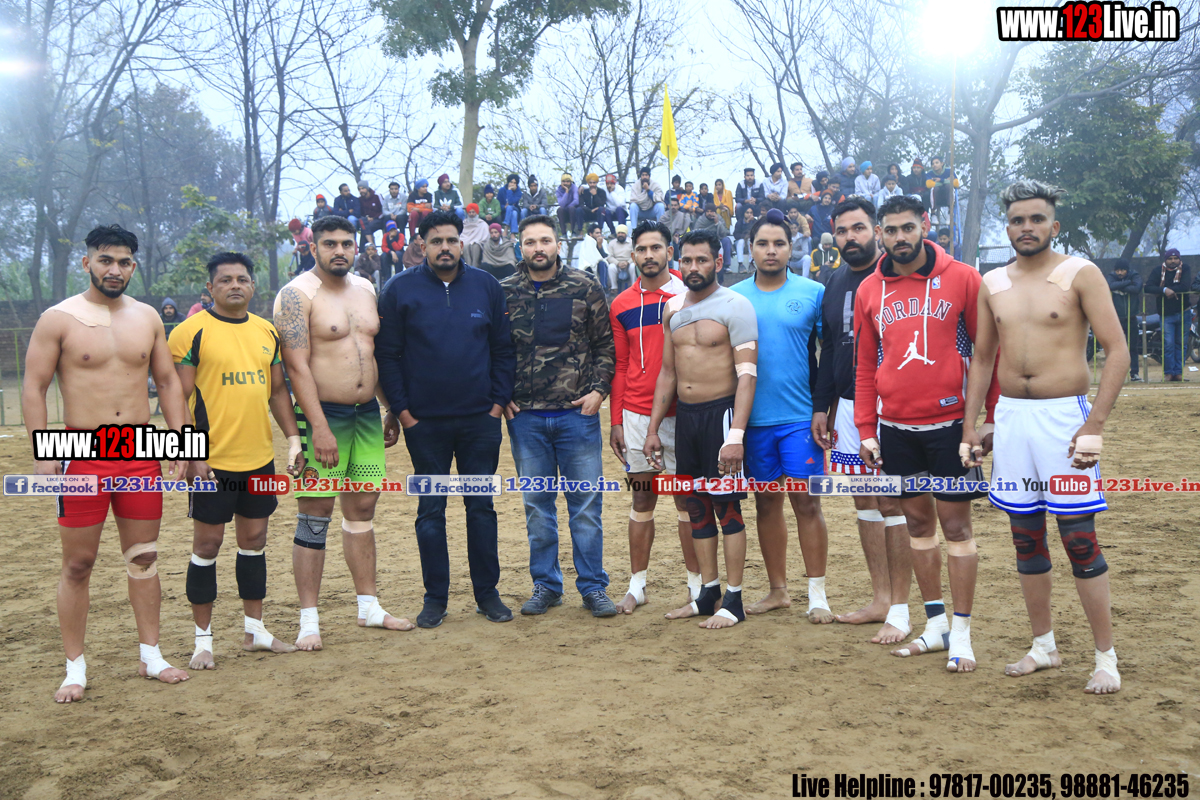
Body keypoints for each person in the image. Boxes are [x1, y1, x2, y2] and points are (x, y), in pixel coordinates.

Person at [961, 178, 1129, 694]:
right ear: (1007, 227)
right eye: (1017, 220)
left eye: (1036, 219)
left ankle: (1105, 657)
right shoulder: (993, 282)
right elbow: (983, 358)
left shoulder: (1080, 273)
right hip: (1013, 420)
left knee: (1078, 537)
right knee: (1025, 536)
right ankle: (1043, 646)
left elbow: (1117, 350)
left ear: (1054, 225)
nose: (1026, 227)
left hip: (1064, 420)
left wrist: (1094, 425)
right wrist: (971, 425)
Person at [21, 224, 192, 701]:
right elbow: (34, 386)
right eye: (105, 260)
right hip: (82, 454)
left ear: (133, 266)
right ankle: (74, 668)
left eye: (123, 262)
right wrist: (42, 452)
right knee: (79, 563)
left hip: (139, 451)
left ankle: (151, 655)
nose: (115, 270)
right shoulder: (58, 318)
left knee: (144, 557)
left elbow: (168, 382)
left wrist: (182, 442)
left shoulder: (148, 317)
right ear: (87, 263)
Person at [854, 194, 998, 673]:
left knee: (956, 528)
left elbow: (988, 354)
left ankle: (962, 633)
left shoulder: (963, 278)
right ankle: (935, 626)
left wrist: (988, 418)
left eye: (908, 228)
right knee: (917, 526)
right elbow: (865, 365)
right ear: (880, 233)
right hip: (896, 430)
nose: (900, 238)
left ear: (925, 225)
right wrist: (866, 427)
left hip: (952, 429)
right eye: (891, 230)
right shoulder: (869, 290)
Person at [273, 215, 414, 650]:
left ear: (356, 246)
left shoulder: (367, 288)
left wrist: (388, 407)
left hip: (366, 414)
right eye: (329, 243)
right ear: (312, 247)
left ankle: (368, 606)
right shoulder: (296, 295)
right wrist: (317, 427)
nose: (339, 250)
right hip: (323, 416)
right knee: (315, 513)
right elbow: (296, 366)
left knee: (363, 507)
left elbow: (372, 354)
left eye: (346, 243)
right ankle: (308, 620)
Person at [377, 210, 517, 628]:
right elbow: (388, 356)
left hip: (479, 422)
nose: (444, 248)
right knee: (431, 512)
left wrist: (496, 406)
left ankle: (487, 595)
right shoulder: (399, 289)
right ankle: (435, 599)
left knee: (481, 508)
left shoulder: (486, 286)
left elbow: (503, 349)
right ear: (422, 245)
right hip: (425, 425)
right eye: (436, 241)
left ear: (462, 242)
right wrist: (404, 414)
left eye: (451, 240)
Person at [168, 251, 302, 669]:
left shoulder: (267, 331)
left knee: (254, 542)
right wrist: (190, 453)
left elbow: (277, 392)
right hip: (211, 463)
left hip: (257, 459)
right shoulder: (189, 332)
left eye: (242, 279)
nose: (235, 286)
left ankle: (254, 630)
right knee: (207, 545)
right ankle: (202, 641)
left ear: (252, 286)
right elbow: (177, 398)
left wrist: (294, 440)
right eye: (225, 280)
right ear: (210, 288)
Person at [502, 214, 617, 617]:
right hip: (525, 419)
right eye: (530, 242)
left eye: (545, 240)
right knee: (537, 505)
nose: (538, 248)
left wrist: (598, 391)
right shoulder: (504, 292)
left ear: (558, 244)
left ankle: (593, 587)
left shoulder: (585, 286)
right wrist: (502, 396)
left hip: (576, 416)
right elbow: (492, 350)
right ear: (520, 246)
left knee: (586, 506)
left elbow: (605, 345)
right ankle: (546, 585)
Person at [644, 228, 758, 629]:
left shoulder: (736, 305)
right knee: (695, 506)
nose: (694, 267)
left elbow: (747, 375)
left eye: (702, 260)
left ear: (718, 262)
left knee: (727, 508)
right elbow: (668, 373)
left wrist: (736, 436)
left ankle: (735, 599)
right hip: (686, 419)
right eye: (687, 260)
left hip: (722, 417)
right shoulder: (672, 308)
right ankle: (708, 593)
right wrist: (653, 429)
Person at [813, 198, 913, 645]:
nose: (850, 237)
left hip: (893, 407)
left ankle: (901, 606)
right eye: (842, 230)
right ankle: (880, 599)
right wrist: (823, 406)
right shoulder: (834, 281)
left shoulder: (897, 274)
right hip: (850, 407)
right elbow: (831, 349)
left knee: (894, 503)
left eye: (858, 228)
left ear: (876, 230)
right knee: (865, 502)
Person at [731, 209, 831, 622]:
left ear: (792, 248)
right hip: (753, 422)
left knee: (807, 504)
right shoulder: (734, 297)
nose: (771, 251)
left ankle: (818, 595)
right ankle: (778, 591)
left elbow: (829, 355)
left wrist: (823, 409)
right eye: (762, 243)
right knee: (766, 505)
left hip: (799, 419)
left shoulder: (813, 292)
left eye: (779, 243)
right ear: (750, 248)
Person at [608, 220, 697, 615]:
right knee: (642, 496)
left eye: (656, 248)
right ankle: (637, 586)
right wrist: (616, 420)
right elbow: (620, 364)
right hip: (635, 415)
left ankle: (697, 586)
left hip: (685, 413)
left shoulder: (688, 295)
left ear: (669, 252)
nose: (649, 255)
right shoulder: (621, 304)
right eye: (642, 249)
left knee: (687, 500)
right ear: (632, 256)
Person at [1145, 248, 1191, 381]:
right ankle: (1168, 373)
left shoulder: (1185, 269)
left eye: (1175, 258)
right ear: (1165, 260)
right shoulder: (1157, 271)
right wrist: (1164, 290)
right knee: (1168, 344)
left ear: (1179, 259)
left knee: (1181, 344)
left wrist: (1169, 290)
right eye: (1170, 259)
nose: (1173, 261)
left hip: (1184, 312)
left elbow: (1185, 286)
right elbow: (1148, 287)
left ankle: (1178, 373)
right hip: (1166, 314)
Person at [1106, 259, 1143, 381]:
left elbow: (1137, 288)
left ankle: (1134, 373)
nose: (1119, 273)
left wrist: (1120, 286)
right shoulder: (1112, 276)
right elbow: (1110, 285)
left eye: (1122, 270)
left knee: (1133, 347)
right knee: (1116, 348)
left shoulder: (1135, 275)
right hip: (1116, 319)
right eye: (1117, 270)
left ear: (1127, 270)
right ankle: (1116, 374)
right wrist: (1127, 283)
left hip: (1131, 318)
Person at [692, 203, 733, 268]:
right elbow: (696, 232)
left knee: (726, 240)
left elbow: (724, 233)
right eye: (707, 211)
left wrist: (717, 223)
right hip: (704, 240)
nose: (709, 213)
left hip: (718, 238)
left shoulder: (719, 218)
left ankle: (726, 266)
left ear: (715, 212)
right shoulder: (701, 219)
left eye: (711, 211)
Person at [577, 222, 611, 291]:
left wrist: (599, 245)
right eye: (597, 233)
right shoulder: (585, 243)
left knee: (602, 264)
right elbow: (585, 258)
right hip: (588, 265)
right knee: (587, 268)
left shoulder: (603, 242)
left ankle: (603, 287)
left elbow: (604, 257)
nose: (599, 235)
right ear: (591, 234)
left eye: (600, 233)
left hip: (599, 264)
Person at [926, 157, 958, 227]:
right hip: (937, 197)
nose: (934, 165)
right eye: (933, 164)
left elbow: (956, 183)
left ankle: (950, 213)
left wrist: (941, 180)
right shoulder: (930, 173)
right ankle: (933, 214)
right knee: (934, 189)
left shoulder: (949, 171)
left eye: (936, 163)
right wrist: (947, 181)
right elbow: (929, 184)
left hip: (947, 195)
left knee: (949, 187)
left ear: (942, 163)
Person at [606, 223, 636, 292]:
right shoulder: (612, 243)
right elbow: (609, 256)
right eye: (619, 233)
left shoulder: (632, 242)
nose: (620, 235)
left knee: (633, 266)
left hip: (628, 264)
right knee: (611, 267)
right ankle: (614, 288)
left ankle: (634, 286)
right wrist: (617, 263)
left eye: (622, 233)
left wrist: (628, 262)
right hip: (617, 265)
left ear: (626, 234)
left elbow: (635, 254)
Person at [380, 221, 406, 287]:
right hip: (389, 254)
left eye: (394, 229)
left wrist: (392, 240)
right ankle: (387, 277)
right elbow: (383, 247)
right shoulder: (385, 236)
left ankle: (398, 276)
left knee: (398, 253)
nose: (393, 231)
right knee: (383, 256)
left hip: (399, 255)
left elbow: (398, 248)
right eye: (391, 230)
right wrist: (391, 252)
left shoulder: (401, 235)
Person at [556, 173, 582, 237]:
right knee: (559, 210)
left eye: (568, 181)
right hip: (564, 210)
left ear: (570, 182)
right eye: (564, 181)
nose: (566, 183)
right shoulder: (558, 190)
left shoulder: (574, 188)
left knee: (571, 209)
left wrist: (568, 206)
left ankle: (573, 232)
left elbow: (576, 201)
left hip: (573, 210)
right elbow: (561, 204)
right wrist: (566, 192)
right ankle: (564, 233)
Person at [732, 206, 755, 272]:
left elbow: (756, 233)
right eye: (747, 212)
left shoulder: (755, 222)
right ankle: (740, 264)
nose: (749, 214)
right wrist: (744, 236)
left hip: (750, 241)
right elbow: (736, 235)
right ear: (744, 213)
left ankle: (751, 263)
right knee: (741, 241)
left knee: (750, 241)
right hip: (740, 242)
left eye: (751, 213)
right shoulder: (739, 222)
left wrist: (749, 223)